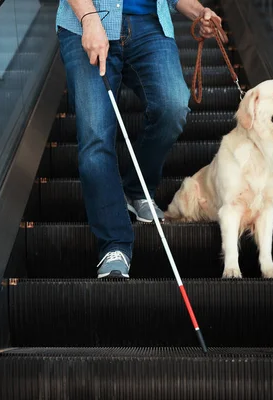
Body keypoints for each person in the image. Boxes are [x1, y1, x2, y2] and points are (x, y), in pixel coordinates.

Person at [55, 0, 222, 278]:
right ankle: (115, 243)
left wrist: (199, 13)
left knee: (173, 106)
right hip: (88, 20)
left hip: (149, 26)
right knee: (95, 134)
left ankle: (137, 188)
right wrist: (89, 19)